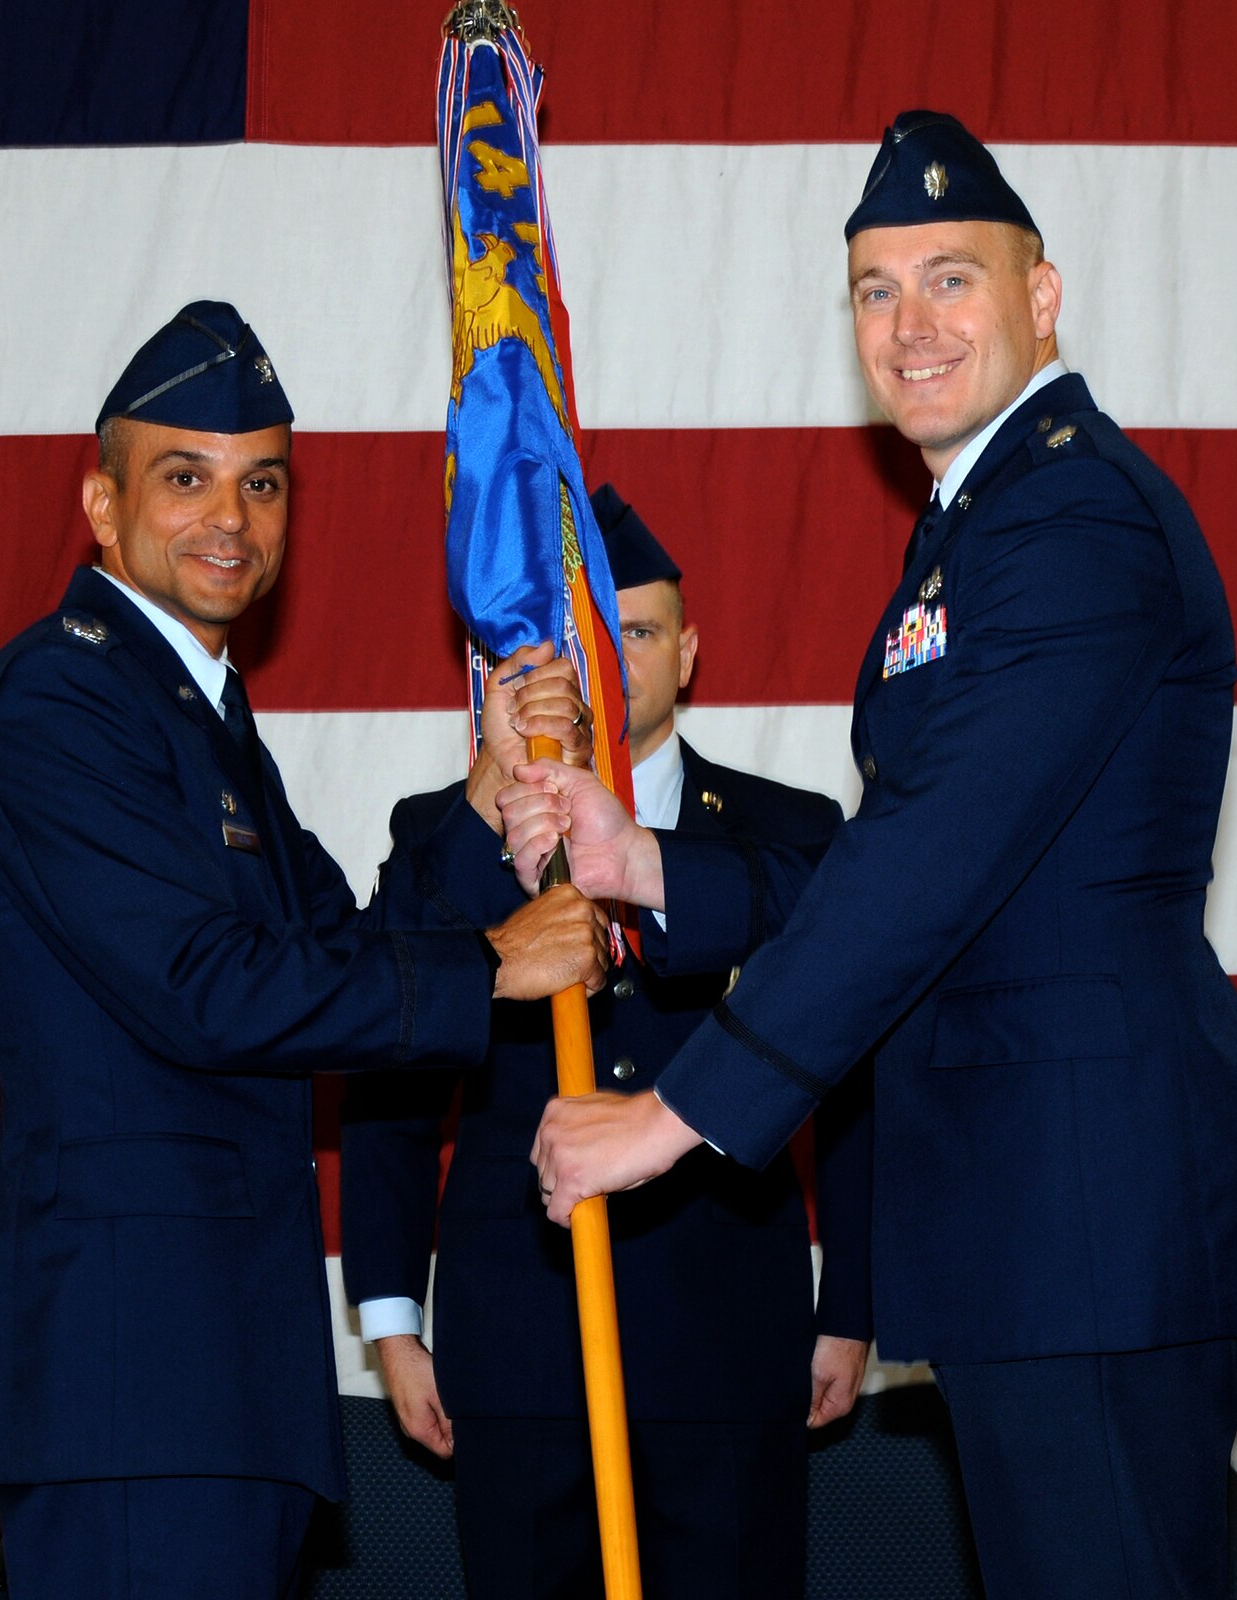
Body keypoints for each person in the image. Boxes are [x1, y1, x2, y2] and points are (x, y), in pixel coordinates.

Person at [509, 114, 1237, 1600]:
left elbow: (935, 861)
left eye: (952, 278)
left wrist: (676, 1117)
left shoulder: (1068, 512)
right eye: (877, 291)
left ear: (1044, 295)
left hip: (1092, 1212)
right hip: (1040, 1217)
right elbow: (929, 866)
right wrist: (650, 870)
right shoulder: (978, 524)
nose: (912, 325)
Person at [0, 301, 611, 1600]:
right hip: (135, 1375)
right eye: (184, 479)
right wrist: (490, 967)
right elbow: (204, 992)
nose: (230, 521)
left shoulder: (197, 713)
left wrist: (480, 809)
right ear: (100, 501)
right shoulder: (60, 702)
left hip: (220, 1367)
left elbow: (335, 952)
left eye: (262, 485)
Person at [341, 485, 874, 1600]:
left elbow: (852, 1083)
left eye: (639, 631)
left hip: (725, 1339)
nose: (616, 658)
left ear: (687, 652)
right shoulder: (445, 836)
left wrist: (855, 1303)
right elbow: (389, 1071)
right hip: (520, 1342)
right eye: (592, 635)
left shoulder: (790, 835)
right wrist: (390, 1317)